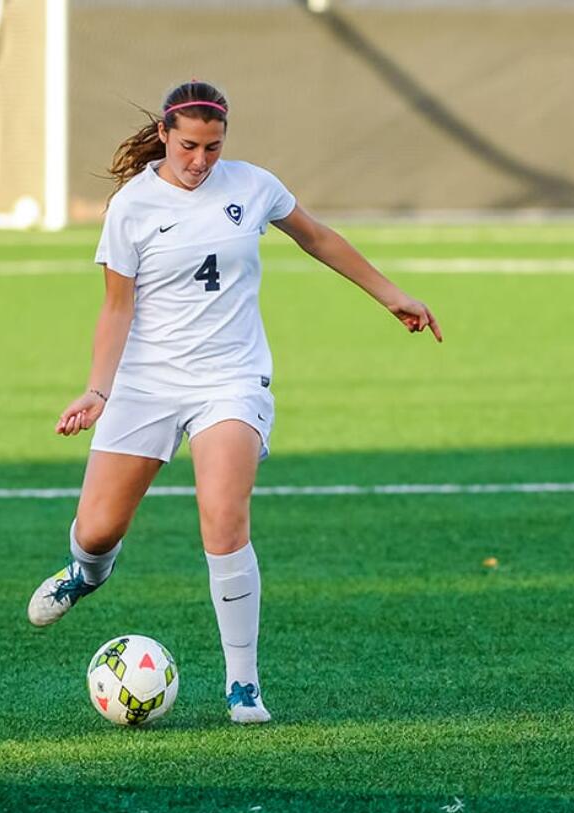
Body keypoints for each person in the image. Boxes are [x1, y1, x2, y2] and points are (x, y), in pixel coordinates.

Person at [27, 80, 442, 724]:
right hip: (146, 382)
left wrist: (392, 295)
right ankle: (86, 572)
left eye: (213, 148)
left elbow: (318, 236)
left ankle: (242, 684)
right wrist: (98, 390)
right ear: (164, 135)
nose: (200, 161)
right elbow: (116, 308)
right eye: (188, 146)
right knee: (99, 528)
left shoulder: (251, 186)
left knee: (223, 515)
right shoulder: (132, 207)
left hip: (231, 378)